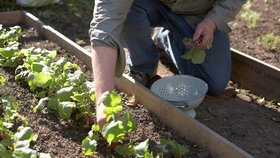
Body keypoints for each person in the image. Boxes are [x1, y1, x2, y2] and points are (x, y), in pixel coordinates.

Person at [89, 0, 247, 127]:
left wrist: (212, 21)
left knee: (215, 84)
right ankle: (144, 66)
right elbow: (105, 24)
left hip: (199, 12)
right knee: (129, 10)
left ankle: (166, 38)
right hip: (150, 5)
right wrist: (103, 99)